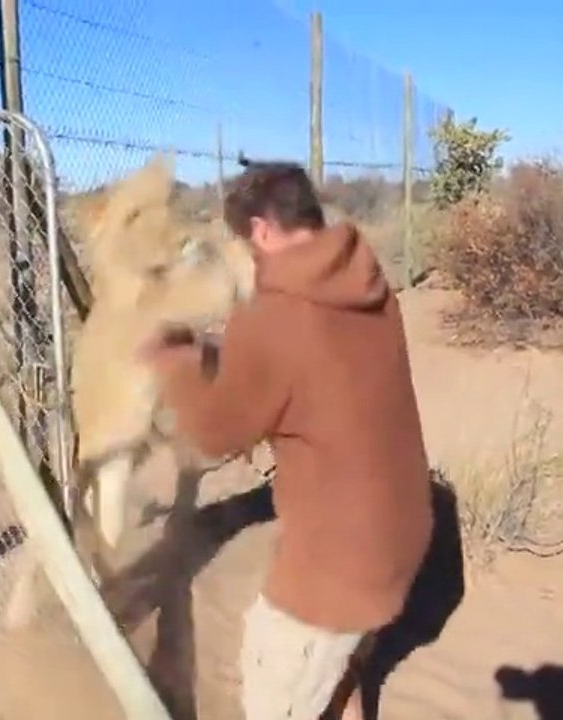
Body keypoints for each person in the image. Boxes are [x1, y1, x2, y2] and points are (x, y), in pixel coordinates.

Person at [140, 161, 435, 720]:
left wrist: (177, 362)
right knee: (342, 669)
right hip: (403, 529)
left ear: (264, 233)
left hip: (341, 564)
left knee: (276, 683)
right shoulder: (363, 284)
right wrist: (216, 351)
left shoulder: (274, 317)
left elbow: (215, 434)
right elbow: (310, 372)